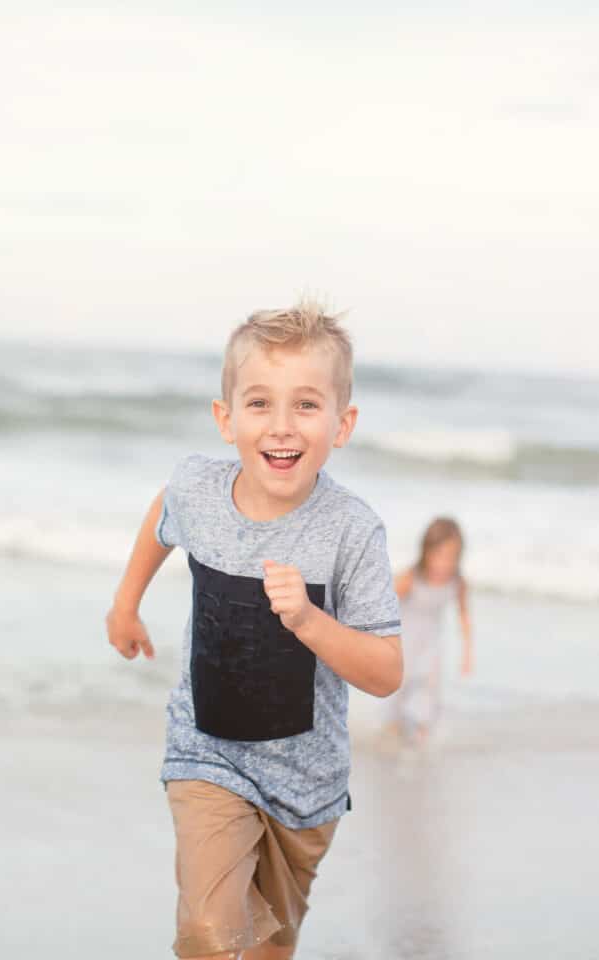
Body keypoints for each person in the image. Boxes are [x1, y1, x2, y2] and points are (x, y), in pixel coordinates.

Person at [105, 297, 404, 959]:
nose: (282, 426)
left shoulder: (353, 531)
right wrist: (126, 604)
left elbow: (386, 672)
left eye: (306, 404)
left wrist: (308, 620)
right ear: (226, 418)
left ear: (342, 423)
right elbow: (164, 512)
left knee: (270, 945)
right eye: (260, 403)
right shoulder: (199, 490)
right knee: (211, 935)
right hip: (205, 753)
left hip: (307, 785)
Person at [385, 517, 472, 748]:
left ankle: (422, 738)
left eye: (451, 557)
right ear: (426, 552)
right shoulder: (411, 578)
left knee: (431, 689)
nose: (444, 564)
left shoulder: (457, 582)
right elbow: (385, 606)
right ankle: (392, 732)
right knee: (399, 688)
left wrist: (467, 654)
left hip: (432, 643)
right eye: (439, 555)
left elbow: (463, 616)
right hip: (405, 641)